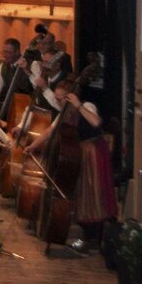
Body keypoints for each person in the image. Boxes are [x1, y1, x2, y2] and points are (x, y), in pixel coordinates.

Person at [24, 81, 117, 254]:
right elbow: (49, 132)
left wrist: (78, 105)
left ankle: (95, 239)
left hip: (93, 154)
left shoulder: (86, 105)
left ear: (71, 96)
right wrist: (33, 146)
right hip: (80, 155)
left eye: (61, 99)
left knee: (94, 196)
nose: (59, 102)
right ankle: (89, 238)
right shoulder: (64, 113)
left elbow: (96, 122)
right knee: (83, 197)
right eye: (57, 99)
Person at [0, 38, 33, 112]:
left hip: (26, 110)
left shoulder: (31, 65)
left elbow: (36, 88)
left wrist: (27, 71)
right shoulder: (3, 66)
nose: (4, 55)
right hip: (9, 107)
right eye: (3, 52)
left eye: (8, 52)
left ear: (17, 52)